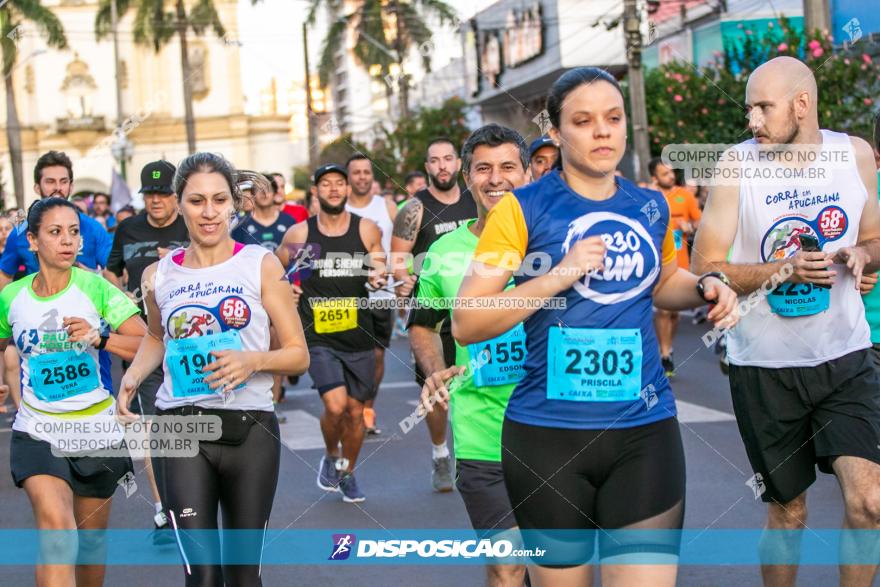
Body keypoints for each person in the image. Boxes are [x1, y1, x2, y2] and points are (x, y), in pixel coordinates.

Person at [452, 67, 738, 586]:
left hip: (643, 432)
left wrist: (706, 286)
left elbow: (665, 281)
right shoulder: (521, 208)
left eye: (612, 118)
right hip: (546, 438)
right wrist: (561, 273)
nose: (602, 131)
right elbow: (468, 320)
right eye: (583, 121)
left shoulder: (649, 205)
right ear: (557, 134)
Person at [693, 56, 880, 587]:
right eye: (749, 107)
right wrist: (783, 269)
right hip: (765, 366)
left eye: (762, 107)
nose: (751, 119)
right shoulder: (737, 165)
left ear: (802, 105)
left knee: (870, 502)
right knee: (788, 511)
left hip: (845, 356)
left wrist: (865, 257)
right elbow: (704, 263)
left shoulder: (855, 155)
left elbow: (875, 237)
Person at [117, 152, 309, 587]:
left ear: (233, 204)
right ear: (179, 203)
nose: (209, 212)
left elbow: (299, 354)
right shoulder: (158, 275)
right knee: (201, 576)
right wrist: (131, 378)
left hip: (250, 430)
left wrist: (253, 360)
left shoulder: (261, 264)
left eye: (219, 200)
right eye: (197, 200)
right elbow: (157, 335)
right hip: (180, 429)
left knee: (244, 577)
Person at [1, 197, 146, 587]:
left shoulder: (95, 288)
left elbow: (148, 344)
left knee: (91, 542)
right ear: (32, 240)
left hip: (95, 432)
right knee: (58, 536)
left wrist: (100, 338)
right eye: (55, 232)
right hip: (37, 431)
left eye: (74, 232)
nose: (68, 241)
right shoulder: (11, 298)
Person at [415, 124, 529, 586]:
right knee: (507, 565)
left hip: (557, 430)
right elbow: (423, 326)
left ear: (526, 174)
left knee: (553, 567)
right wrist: (435, 370)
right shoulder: (443, 252)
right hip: (482, 437)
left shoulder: (554, 240)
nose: (495, 178)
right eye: (483, 168)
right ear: (467, 178)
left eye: (507, 167)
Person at [276, 163, 384, 503]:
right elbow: (274, 272)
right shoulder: (300, 235)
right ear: (316, 192)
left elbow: (379, 263)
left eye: (340, 183)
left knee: (356, 413)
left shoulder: (365, 229)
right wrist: (286, 291)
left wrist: (378, 275)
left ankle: (346, 470)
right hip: (318, 335)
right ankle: (329, 452)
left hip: (358, 334)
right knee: (336, 407)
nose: (334, 189)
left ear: (348, 190)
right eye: (326, 184)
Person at [106, 160, 189, 535]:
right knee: (152, 427)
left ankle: (191, 495)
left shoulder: (191, 226)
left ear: (176, 195)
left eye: (163, 193)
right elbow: (110, 271)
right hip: (145, 340)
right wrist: (119, 293)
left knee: (188, 423)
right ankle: (163, 505)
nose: (156, 200)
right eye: (149, 194)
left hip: (189, 340)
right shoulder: (127, 228)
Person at [392, 137, 478, 492]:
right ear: (426, 167)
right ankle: (441, 453)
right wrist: (403, 277)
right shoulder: (413, 209)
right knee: (439, 389)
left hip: (480, 304)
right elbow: (398, 259)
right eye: (434, 160)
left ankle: (480, 455)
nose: (442, 166)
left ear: (459, 163)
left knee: (484, 381)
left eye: (448, 159)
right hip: (434, 310)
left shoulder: (478, 199)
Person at [0, 151, 113, 291]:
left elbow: (112, 272)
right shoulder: (22, 228)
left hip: (85, 309)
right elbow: (5, 274)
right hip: (38, 309)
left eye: (63, 181)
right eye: (50, 181)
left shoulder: (93, 227)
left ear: (71, 187)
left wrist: (92, 275)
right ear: (37, 187)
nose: (58, 188)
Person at [345, 153, 398, 435]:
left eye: (367, 172)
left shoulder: (387, 207)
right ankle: (348, 407)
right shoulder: (337, 209)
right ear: (348, 177)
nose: (362, 177)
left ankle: (367, 406)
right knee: (349, 354)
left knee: (376, 357)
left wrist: (403, 281)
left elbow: (402, 246)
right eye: (356, 172)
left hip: (382, 295)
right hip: (346, 297)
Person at [649, 157, 702, 376]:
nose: (670, 176)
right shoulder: (649, 198)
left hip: (681, 261)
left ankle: (668, 348)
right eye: (664, 174)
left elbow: (699, 222)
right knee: (663, 310)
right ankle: (664, 353)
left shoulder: (685, 195)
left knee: (674, 314)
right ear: (655, 177)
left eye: (671, 172)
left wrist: (688, 225)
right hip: (659, 262)